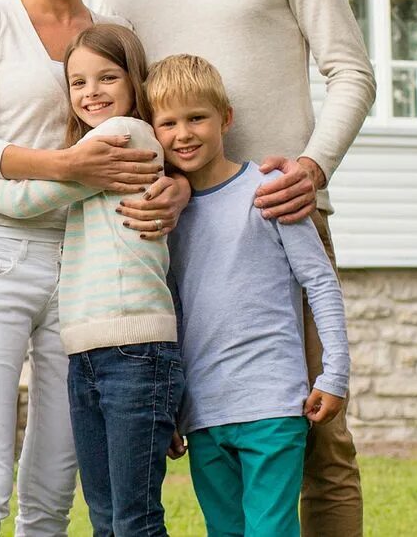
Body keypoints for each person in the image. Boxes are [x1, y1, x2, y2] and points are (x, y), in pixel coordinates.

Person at [97, 0, 375, 536]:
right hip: (186, 241)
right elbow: (118, 115)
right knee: (216, 434)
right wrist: (162, 191)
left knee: (321, 434)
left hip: (285, 220)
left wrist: (312, 168)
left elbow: (352, 70)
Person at [0, 0, 186, 537]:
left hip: (82, 266)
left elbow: (158, 129)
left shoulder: (114, 33)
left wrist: (181, 184)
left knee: (53, 487)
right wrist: (69, 164)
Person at [148, 54, 350, 537]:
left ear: (226, 118)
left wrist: (335, 373)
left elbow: (320, 283)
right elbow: (171, 310)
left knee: (271, 530)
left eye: (197, 117)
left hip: (273, 404)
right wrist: (173, 404)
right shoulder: (167, 217)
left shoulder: (270, 190)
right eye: (168, 123)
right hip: (204, 411)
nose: (184, 134)